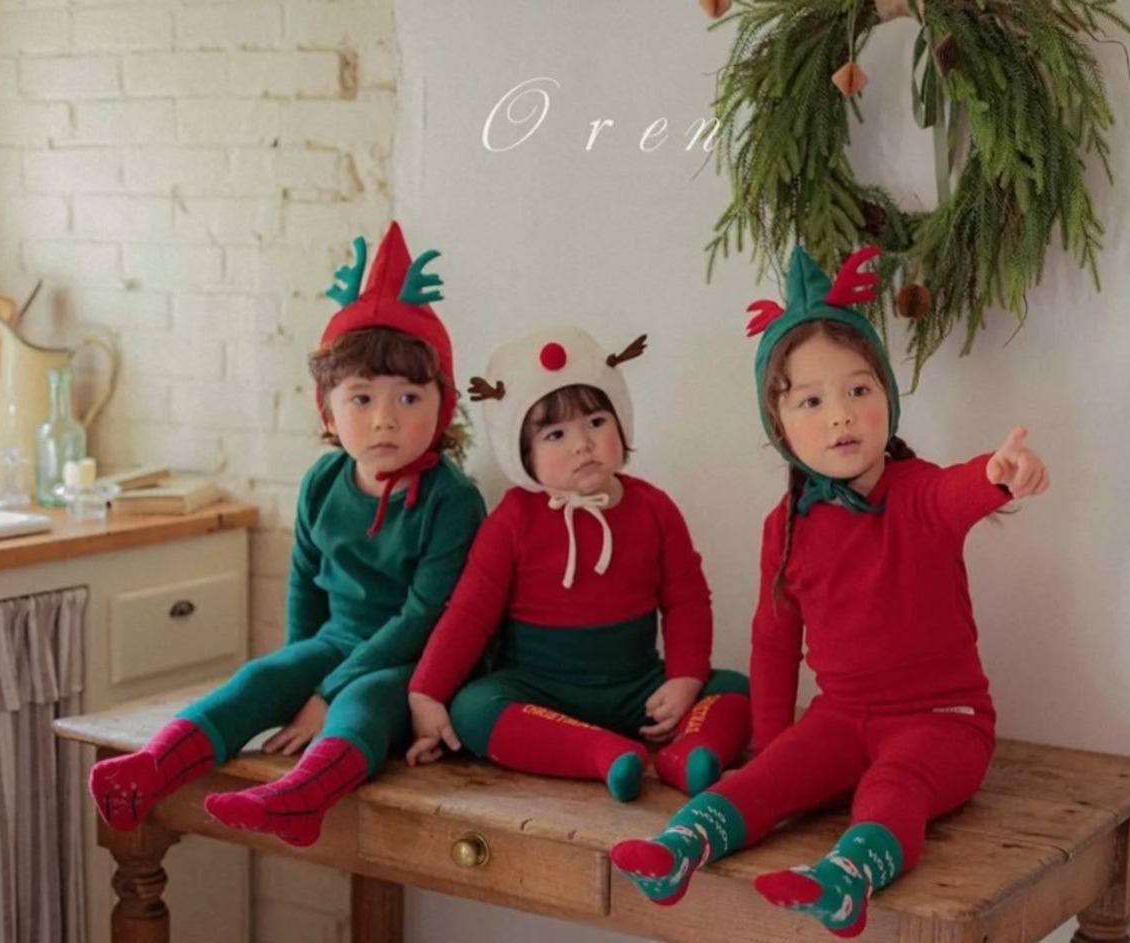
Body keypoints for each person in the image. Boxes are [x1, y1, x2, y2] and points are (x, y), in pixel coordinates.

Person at [609, 246, 1050, 936]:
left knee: (892, 785)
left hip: (945, 724)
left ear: (887, 398)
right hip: (840, 719)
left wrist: (1000, 472)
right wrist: (772, 749)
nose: (841, 415)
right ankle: (678, 849)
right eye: (812, 401)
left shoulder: (919, 493)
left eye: (858, 391)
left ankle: (846, 881)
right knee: (759, 781)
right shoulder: (786, 525)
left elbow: (961, 489)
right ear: (779, 426)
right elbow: (773, 643)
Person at [88, 222, 485, 847]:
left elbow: (422, 617)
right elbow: (305, 586)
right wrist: (298, 674)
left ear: (444, 405)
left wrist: (325, 692)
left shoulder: (452, 499)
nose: (385, 419)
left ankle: (303, 799)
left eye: (409, 397)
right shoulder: (323, 482)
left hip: (413, 662)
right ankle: (151, 769)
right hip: (337, 641)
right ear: (327, 408)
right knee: (258, 677)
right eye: (361, 399)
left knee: (364, 700)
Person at [404, 326, 750, 802]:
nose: (582, 444)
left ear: (621, 421)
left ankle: (691, 754)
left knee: (735, 689)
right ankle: (602, 754)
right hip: (541, 692)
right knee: (474, 708)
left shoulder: (654, 508)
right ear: (522, 453)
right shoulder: (512, 520)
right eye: (555, 434)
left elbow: (687, 600)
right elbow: (469, 615)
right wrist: (426, 692)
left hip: (638, 688)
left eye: (596, 422)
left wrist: (685, 679)